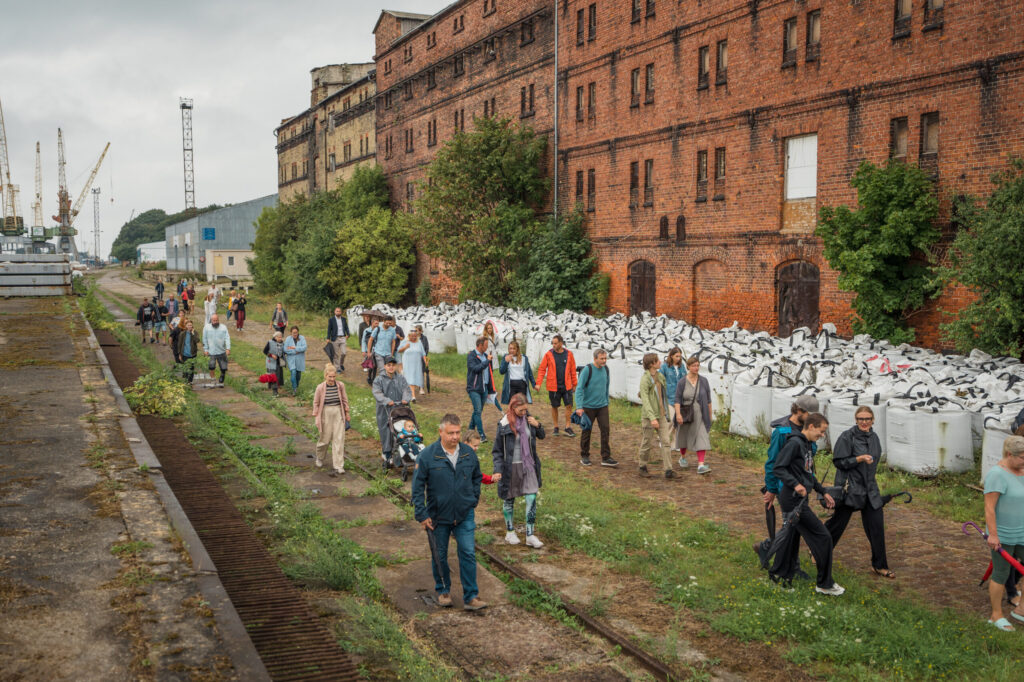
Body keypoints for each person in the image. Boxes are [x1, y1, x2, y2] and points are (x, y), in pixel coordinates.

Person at [412, 413, 488, 611]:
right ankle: (443, 590)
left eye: (457, 432)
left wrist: (473, 500)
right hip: (438, 515)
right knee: (440, 554)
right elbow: (418, 487)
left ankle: (471, 596)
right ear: (440, 432)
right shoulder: (428, 456)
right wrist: (422, 514)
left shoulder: (468, 453)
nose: (455, 437)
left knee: (468, 553)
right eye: (450, 433)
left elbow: (476, 477)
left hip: (464, 513)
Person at [770, 413, 841, 595]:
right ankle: (825, 584)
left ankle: (779, 577)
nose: (823, 435)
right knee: (823, 537)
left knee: (790, 539)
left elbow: (807, 473)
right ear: (810, 427)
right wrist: (796, 484)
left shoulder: (807, 445)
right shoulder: (794, 443)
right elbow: (778, 467)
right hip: (792, 498)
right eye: (821, 431)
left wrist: (822, 490)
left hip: (799, 497)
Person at [754, 395, 819, 580]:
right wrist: (771, 489)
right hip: (787, 487)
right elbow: (773, 462)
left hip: (802, 485)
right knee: (790, 527)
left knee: (793, 527)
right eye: (809, 414)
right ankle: (788, 568)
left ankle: (767, 548)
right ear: (798, 410)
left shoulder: (809, 429)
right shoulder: (782, 432)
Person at [825, 406, 893, 579]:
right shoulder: (847, 437)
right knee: (837, 524)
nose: (864, 422)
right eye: (861, 419)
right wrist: (859, 459)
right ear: (855, 419)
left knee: (876, 526)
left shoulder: (874, 437)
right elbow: (839, 462)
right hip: (851, 489)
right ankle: (817, 549)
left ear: (873, 420)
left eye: (868, 418)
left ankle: (879, 565)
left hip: (870, 489)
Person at [492, 394, 546, 548]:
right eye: (521, 410)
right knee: (509, 499)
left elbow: (542, 436)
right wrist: (498, 469)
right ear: (513, 408)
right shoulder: (504, 424)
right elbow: (497, 451)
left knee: (531, 497)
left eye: (526, 410)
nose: (524, 413)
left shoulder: (529, 420)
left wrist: (538, 424)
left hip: (528, 465)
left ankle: (530, 534)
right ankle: (510, 531)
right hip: (510, 467)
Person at [983, 435, 1024, 631]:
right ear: (1010, 454)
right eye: (1023, 457)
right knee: (1001, 573)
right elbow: (990, 508)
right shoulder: (997, 474)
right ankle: (996, 615)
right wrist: (993, 535)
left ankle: (1021, 610)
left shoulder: (1022, 471)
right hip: (1003, 534)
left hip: (1023, 532)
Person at [575, 348, 617, 467]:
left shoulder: (606, 369)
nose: (604, 361)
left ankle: (606, 457)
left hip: (602, 405)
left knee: (605, 430)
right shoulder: (587, 370)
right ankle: (585, 455)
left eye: (605, 358)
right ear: (595, 359)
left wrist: (606, 401)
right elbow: (579, 389)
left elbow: (606, 386)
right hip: (588, 407)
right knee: (587, 431)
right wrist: (579, 406)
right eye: (601, 359)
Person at [638, 352, 675, 478]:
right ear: (652, 364)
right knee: (647, 442)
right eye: (657, 360)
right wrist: (652, 417)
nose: (660, 362)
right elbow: (646, 401)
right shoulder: (645, 379)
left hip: (662, 414)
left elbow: (663, 395)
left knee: (666, 442)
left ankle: (668, 470)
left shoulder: (660, 377)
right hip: (649, 417)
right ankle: (642, 466)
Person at [674, 356, 713, 474]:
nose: (696, 368)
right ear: (688, 367)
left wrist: (710, 416)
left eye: (697, 365)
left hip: (700, 413)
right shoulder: (682, 382)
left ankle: (701, 464)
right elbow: (677, 400)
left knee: (702, 436)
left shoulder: (704, 381)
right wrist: (678, 414)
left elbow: (708, 400)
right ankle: (683, 457)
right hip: (686, 412)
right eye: (693, 366)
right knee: (684, 435)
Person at [372, 356, 412, 465]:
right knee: (386, 432)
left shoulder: (401, 378)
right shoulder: (378, 380)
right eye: (389, 365)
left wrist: (405, 399)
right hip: (385, 410)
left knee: (400, 430)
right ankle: (386, 453)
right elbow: (377, 393)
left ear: (396, 366)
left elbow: (406, 390)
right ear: (385, 366)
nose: (391, 367)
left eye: (393, 365)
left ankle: (402, 453)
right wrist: (386, 400)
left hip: (399, 410)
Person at [535, 335, 577, 437]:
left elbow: (573, 370)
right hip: (553, 386)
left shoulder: (569, 354)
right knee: (554, 406)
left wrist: (574, 384)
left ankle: (567, 427)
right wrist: (538, 383)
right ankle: (556, 426)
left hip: (567, 385)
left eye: (555, 343)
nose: (553, 345)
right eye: (552, 343)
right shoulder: (549, 354)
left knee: (569, 405)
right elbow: (542, 369)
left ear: (561, 343)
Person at [312, 364, 350, 477]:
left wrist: (347, 413)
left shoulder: (340, 385)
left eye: (334, 376)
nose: (332, 379)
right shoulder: (320, 387)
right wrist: (316, 415)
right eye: (330, 377)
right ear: (325, 376)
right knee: (325, 438)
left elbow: (344, 400)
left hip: (338, 412)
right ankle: (320, 457)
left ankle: (339, 465)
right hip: (325, 413)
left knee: (339, 439)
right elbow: (316, 402)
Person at [466, 337, 497, 442]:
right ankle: (482, 435)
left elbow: (489, 373)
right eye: (486, 345)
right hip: (474, 388)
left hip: (484, 388)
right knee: (478, 411)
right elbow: (475, 369)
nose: (487, 347)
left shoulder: (485, 356)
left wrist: (490, 390)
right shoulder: (472, 356)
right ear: (480, 345)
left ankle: (470, 430)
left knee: (477, 411)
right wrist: (487, 361)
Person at [659, 347, 684, 445]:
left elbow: (684, 380)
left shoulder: (682, 367)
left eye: (680, 356)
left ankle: (674, 443)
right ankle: (664, 439)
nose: (678, 358)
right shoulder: (665, 367)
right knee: (671, 421)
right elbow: (660, 380)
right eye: (676, 356)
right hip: (669, 397)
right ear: (671, 356)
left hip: (679, 398)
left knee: (677, 422)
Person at [499, 340, 535, 407]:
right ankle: (511, 417)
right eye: (510, 348)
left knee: (522, 404)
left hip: (522, 384)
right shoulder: (506, 357)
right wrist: (506, 362)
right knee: (513, 405)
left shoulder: (524, 358)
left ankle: (523, 417)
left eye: (514, 348)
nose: (512, 350)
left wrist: (534, 384)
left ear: (517, 349)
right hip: (511, 384)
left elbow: (529, 372)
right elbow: (501, 371)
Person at [398, 328, 427, 400]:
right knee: (410, 378)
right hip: (407, 363)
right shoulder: (405, 341)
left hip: (417, 364)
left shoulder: (419, 342)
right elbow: (399, 350)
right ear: (409, 336)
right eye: (412, 336)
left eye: (415, 336)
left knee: (415, 377)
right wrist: (405, 347)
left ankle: (408, 393)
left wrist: (425, 361)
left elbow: (423, 353)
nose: (413, 337)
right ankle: (413, 396)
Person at [201, 313, 231, 385]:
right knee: (211, 366)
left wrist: (228, 348)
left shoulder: (223, 327)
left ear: (219, 320)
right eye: (214, 320)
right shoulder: (206, 328)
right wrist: (205, 349)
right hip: (211, 352)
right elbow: (204, 339)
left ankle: (222, 377)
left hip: (221, 351)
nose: (215, 322)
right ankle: (212, 380)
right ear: (211, 320)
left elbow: (227, 338)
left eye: (216, 320)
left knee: (223, 367)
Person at [284, 326, 307, 395]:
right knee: (293, 373)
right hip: (291, 359)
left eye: (296, 332)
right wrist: (294, 351)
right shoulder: (288, 339)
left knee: (298, 375)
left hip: (300, 359)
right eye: (293, 333)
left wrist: (295, 348)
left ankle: (296, 386)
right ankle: (294, 388)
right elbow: (285, 349)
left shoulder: (302, 338)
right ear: (291, 333)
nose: (295, 334)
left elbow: (304, 347)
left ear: (298, 332)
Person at [327, 307, 349, 373]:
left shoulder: (344, 319)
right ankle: (337, 368)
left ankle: (341, 364)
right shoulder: (331, 319)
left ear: (341, 312)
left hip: (342, 338)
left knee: (344, 353)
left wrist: (348, 334)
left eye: (339, 311)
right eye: (337, 311)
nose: (338, 312)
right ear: (335, 312)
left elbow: (346, 327)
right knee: (336, 355)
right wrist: (328, 338)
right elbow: (329, 329)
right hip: (335, 338)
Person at [263, 330, 285, 396]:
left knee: (277, 376)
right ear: (275, 337)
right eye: (279, 337)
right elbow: (265, 351)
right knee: (273, 376)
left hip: (279, 362)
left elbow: (284, 351)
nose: (280, 338)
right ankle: (275, 391)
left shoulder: (282, 344)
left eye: (281, 337)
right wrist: (271, 355)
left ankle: (275, 387)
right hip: (271, 362)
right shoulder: (270, 342)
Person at [361, 317, 381, 385]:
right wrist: (364, 350)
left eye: (378, 323)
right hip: (368, 350)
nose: (377, 324)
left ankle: (373, 379)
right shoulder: (366, 330)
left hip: (376, 350)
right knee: (370, 364)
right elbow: (363, 340)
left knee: (375, 365)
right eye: (376, 323)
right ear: (372, 323)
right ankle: (369, 376)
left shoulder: (379, 330)